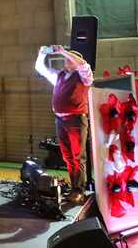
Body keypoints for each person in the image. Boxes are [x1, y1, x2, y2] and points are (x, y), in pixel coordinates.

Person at [35, 45, 93, 203]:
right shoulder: (59, 76)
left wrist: (62, 51)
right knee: (68, 157)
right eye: (66, 59)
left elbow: (83, 65)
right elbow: (40, 68)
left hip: (75, 119)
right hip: (60, 119)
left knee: (77, 156)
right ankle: (75, 185)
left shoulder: (84, 76)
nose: (67, 61)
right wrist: (41, 53)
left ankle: (78, 189)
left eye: (70, 59)